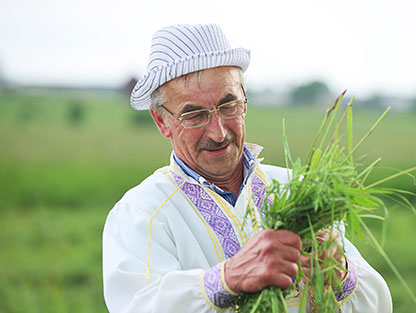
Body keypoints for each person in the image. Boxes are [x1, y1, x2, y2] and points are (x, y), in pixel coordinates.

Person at [102, 23, 392, 313]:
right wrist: (227, 279)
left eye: (229, 106)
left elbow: (378, 306)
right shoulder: (142, 213)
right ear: (162, 121)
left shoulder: (300, 191)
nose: (218, 132)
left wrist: (340, 273)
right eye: (194, 115)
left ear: (245, 100)